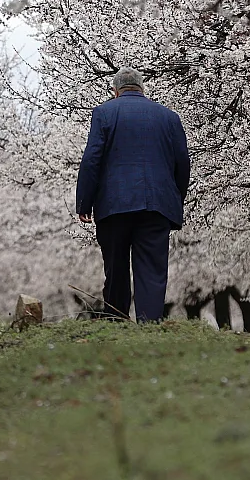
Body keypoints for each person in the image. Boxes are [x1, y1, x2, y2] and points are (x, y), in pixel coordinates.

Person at [75, 67, 190, 322]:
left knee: (115, 266)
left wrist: (85, 201)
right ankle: (150, 323)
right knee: (151, 267)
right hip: (156, 205)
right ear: (142, 89)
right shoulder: (169, 117)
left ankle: (116, 321)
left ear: (115, 91)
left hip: (114, 204)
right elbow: (183, 163)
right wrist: (174, 198)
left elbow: (92, 159)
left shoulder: (104, 113)